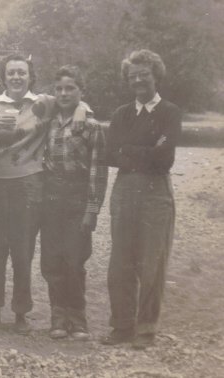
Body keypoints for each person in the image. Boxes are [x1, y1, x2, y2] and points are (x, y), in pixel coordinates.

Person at [101, 50, 180, 350]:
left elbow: (165, 160)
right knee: (120, 260)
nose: (138, 80)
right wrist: (147, 149)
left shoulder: (170, 112)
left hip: (155, 193)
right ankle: (121, 325)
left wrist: (129, 150)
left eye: (143, 74)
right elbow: (110, 154)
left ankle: (146, 327)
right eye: (132, 75)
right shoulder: (121, 113)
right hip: (124, 192)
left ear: (155, 75)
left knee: (152, 261)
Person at [0, 54, 44, 334]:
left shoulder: (41, 105)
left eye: (22, 73)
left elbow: (75, 105)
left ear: (30, 76)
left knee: (23, 249)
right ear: (3, 77)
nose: (16, 77)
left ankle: (21, 313)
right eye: (11, 73)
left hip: (28, 184)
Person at [40, 65, 108, 341]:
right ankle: (58, 316)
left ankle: (77, 316)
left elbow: (97, 171)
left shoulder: (91, 126)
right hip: (51, 201)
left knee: (75, 259)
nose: (64, 93)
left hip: (78, 201)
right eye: (59, 89)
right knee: (52, 260)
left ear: (81, 91)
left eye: (70, 88)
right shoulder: (48, 122)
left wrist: (91, 210)